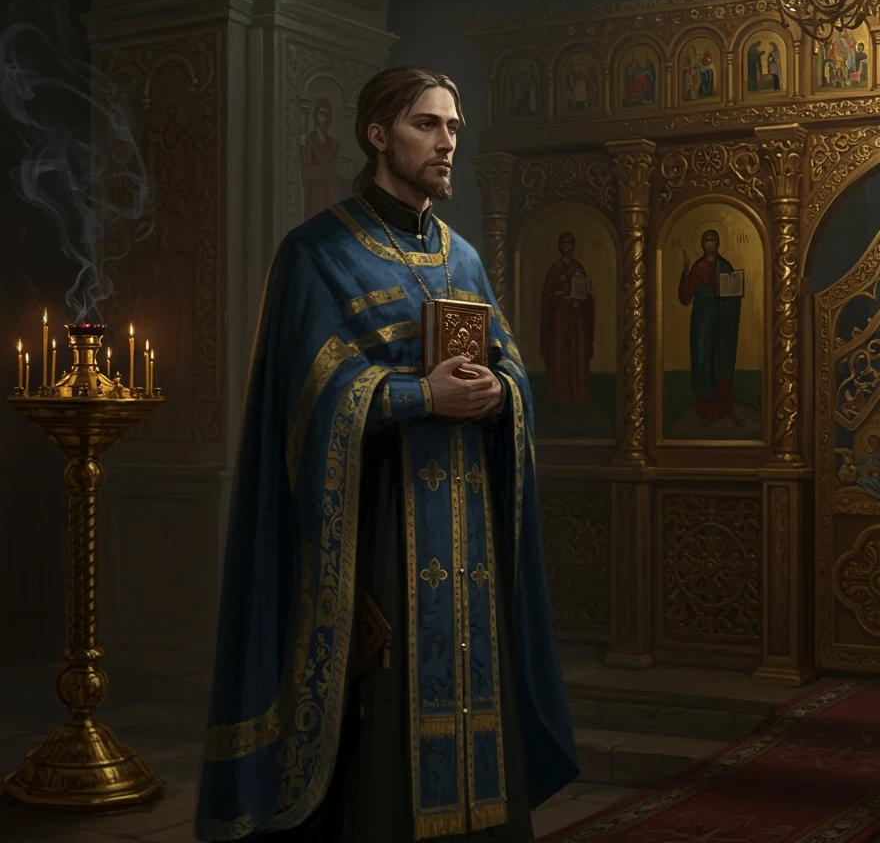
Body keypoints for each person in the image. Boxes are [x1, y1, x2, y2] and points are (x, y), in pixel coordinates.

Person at [194, 66, 577, 842]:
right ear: (377, 135)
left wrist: (502, 392)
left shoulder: (463, 260)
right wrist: (418, 397)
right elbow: (305, 403)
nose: (447, 142)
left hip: (469, 550)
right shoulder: (318, 253)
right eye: (426, 125)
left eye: (453, 127)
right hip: (373, 543)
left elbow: (510, 368)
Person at [678, 228, 743, 428]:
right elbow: (685, 298)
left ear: (718, 242)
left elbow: (733, 291)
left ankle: (725, 410)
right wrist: (686, 271)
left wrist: (734, 293)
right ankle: (705, 413)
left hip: (722, 321)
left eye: (713, 240)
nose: (710, 243)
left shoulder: (726, 266)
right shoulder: (698, 268)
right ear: (702, 243)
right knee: (704, 360)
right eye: (707, 240)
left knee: (723, 360)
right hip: (703, 322)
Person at [539, 231, 594, 413]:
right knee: (561, 355)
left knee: (577, 355)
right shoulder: (555, 269)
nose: (567, 247)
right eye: (564, 243)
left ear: (574, 246)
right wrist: (562, 297)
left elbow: (587, 292)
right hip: (560, 320)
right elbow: (546, 294)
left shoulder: (578, 267)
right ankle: (560, 397)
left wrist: (583, 298)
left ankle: (577, 398)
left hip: (577, 320)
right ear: (559, 246)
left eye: (570, 244)